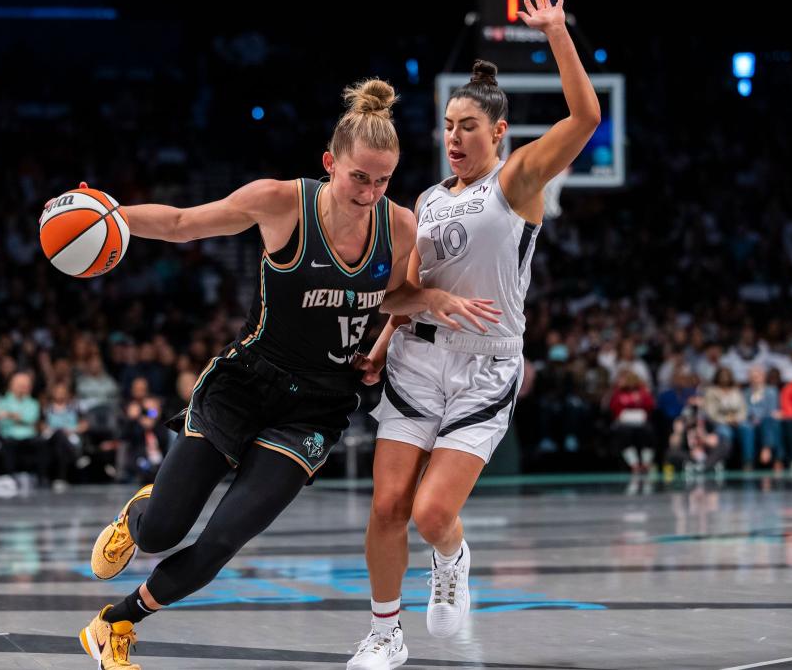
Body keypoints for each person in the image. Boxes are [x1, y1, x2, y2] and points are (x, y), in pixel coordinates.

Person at [63, 79, 497, 670]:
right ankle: (141, 512)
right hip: (245, 383)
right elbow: (183, 221)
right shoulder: (280, 202)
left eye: (382, 180)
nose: (370, 192)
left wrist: (427, 302)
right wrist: (108, 213)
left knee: (222, 542)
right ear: (329, 163)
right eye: (358, 177)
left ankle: (115, 624)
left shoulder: (397, 227)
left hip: (317, 407)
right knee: (163, 530)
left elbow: (392, 296)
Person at [346, 0, 602, 669]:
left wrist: (554, 33)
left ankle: (452, 557)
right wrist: (378, 349)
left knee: (432, 515)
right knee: (387, 507)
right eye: (448, 127)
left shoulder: (516, 182)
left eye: (468, 127)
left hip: (485, 368)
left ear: (500, 133)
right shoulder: (426, 201)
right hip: (414, 361)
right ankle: (383, 635)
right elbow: (396, 295)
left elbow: (587, 118)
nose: (454, 138)